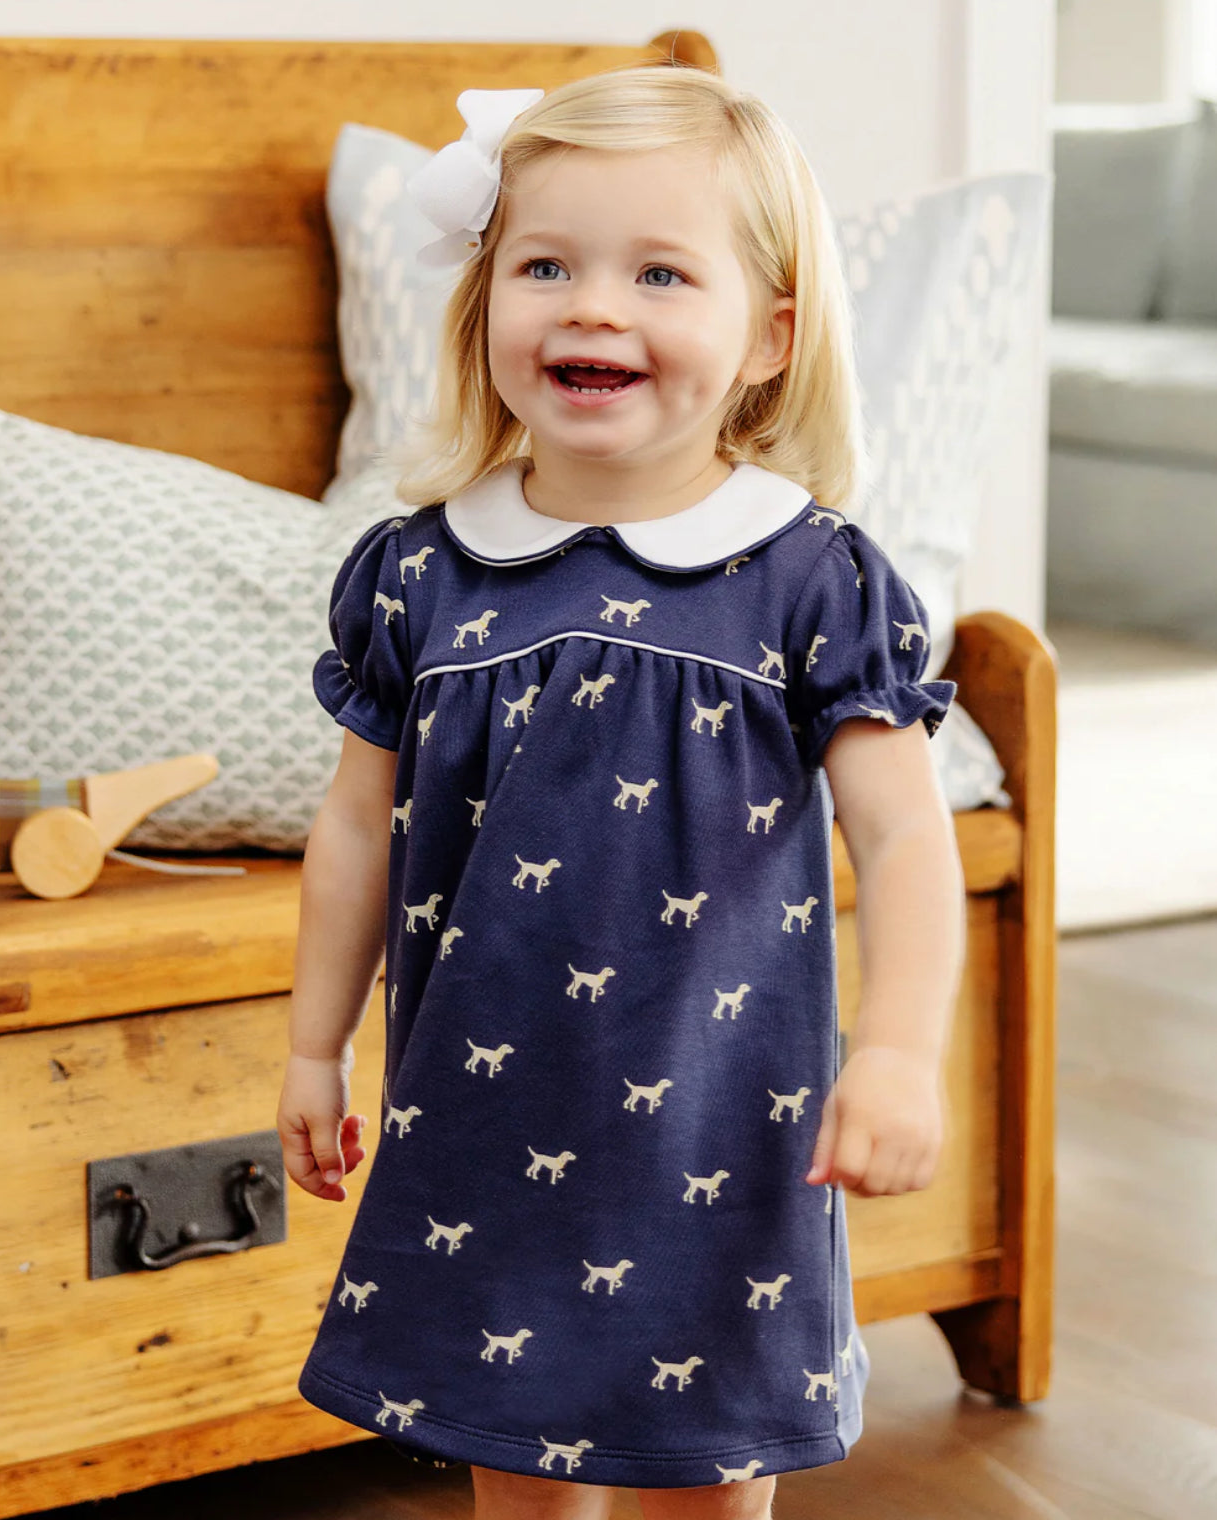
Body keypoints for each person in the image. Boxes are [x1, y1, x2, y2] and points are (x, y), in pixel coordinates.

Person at [277, 64, 966, 1520]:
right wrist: (311, 1047)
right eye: (545, 267)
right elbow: (351, 829)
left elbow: (907, 834)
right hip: (477, 1119)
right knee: (512, 1464)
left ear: (769, 334)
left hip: (717, 1129)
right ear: (483, 306)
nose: (593, 308)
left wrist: (903, 1049)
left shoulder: (808, 578)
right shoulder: (418, 574)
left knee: (704, 1475)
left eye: (660, 273)